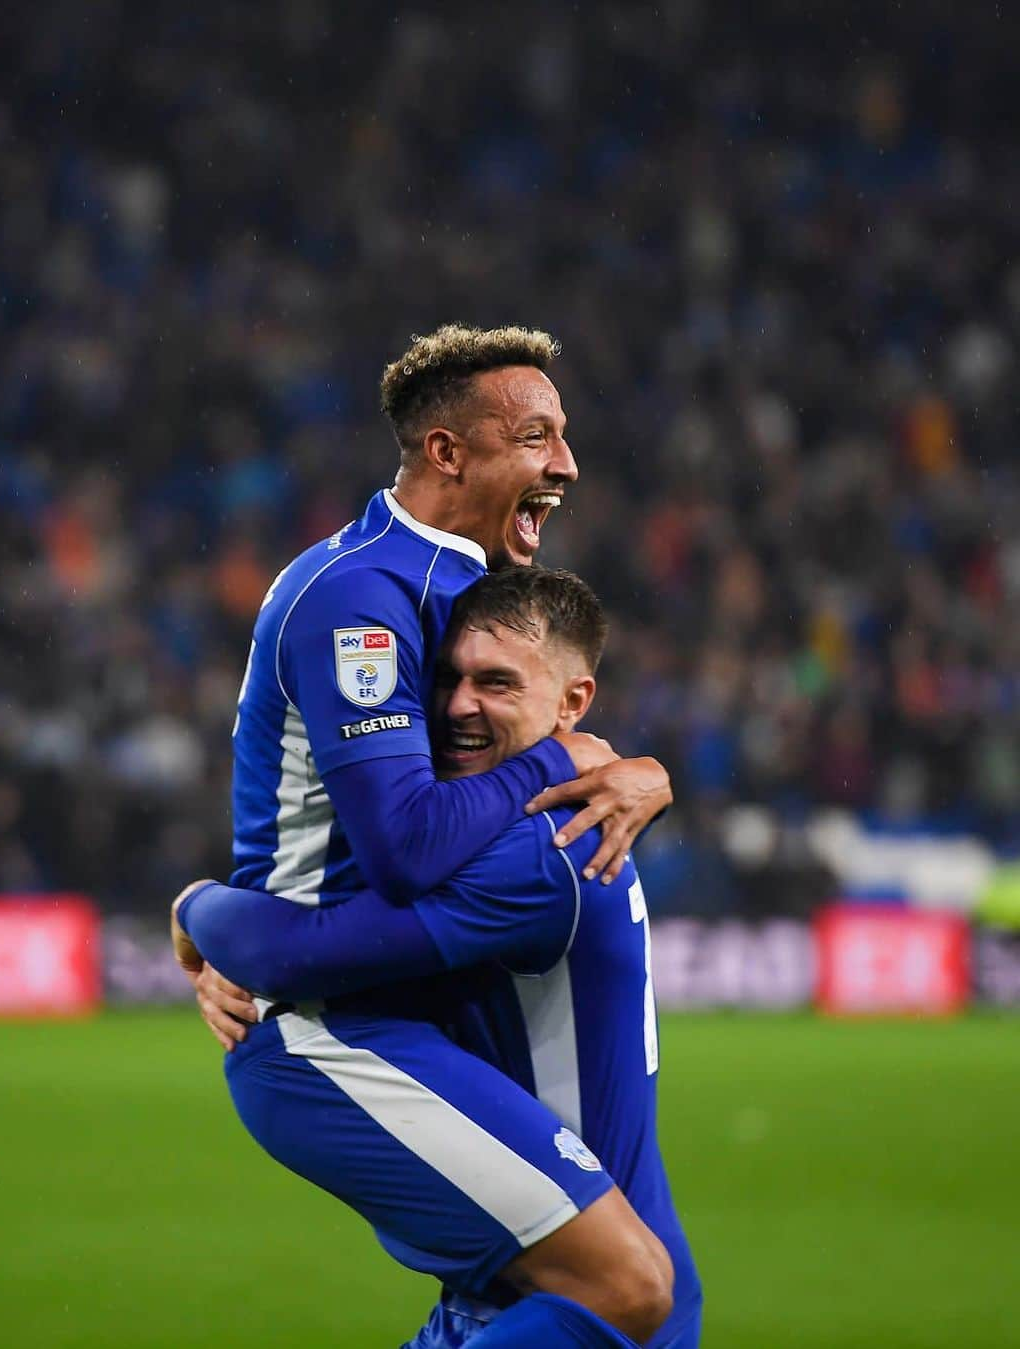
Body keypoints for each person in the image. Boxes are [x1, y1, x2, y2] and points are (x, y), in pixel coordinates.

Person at [185, 325, 677, 1349]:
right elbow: (405, 843)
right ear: (449, 454)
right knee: (630, 1287)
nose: (568, 465)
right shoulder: (363, 591)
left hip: (398, 1002)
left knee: (566, 1305)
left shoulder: (453, 587)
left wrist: (634, 766)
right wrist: (571, 758)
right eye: (537, 436)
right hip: (325, 1014)